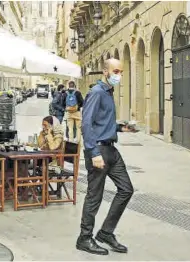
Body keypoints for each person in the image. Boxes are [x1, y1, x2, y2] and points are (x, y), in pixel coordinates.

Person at [77, 58, 135, 256]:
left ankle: (106, 233)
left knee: (126, 189)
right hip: (99, 151)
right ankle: (84, 238)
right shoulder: (96, 92)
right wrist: (93, 153)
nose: (119, 75)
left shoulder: (109, 93)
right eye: (116, 71)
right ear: (106, 72)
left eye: (121, 71)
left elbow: (102, 123)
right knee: (95, 196)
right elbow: (86, 125)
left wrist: (121, 127)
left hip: (111, 150)